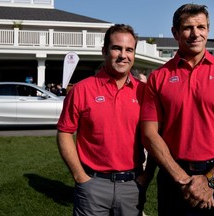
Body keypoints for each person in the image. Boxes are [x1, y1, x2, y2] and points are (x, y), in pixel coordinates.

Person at [141, 3, 214, 216]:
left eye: (201, 27)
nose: (196, 34)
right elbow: (149, 134)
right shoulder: (158, 77)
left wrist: (211, 182)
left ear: (208, 31)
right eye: (188, 28)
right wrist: (183, 180)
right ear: (175, 32)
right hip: (175, 180)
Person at [57, 24, 152, 216]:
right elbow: (65, 132)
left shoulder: (144, 93)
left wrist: (147, 176)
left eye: (129, 50)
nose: (123, 55)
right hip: (92, 185)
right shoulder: (82, 89)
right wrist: (79, 175)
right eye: (117, 48)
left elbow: (155, 137)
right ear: (104, 51)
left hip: (132, 186)